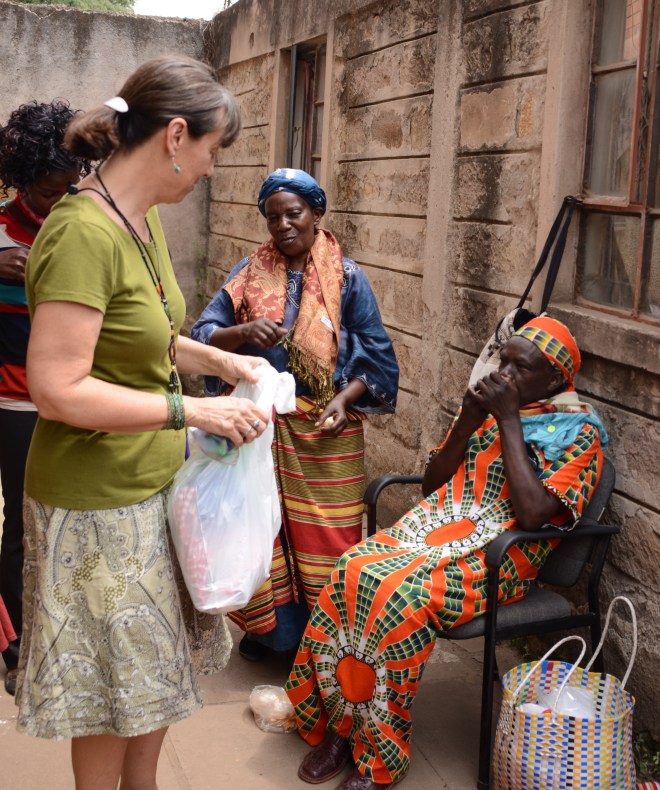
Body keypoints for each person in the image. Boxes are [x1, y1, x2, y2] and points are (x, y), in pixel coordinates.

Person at [17, 56, 271, 790]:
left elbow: (143, 333)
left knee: (152, 675)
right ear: (176, 136)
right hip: (93, 503)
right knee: (106, 694)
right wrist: (191, 407)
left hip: (151, 485)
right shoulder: (82, 234)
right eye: (212, 151)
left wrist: (215, 362)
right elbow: (58, 388)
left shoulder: (141, 221)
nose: (210, 170)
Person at [286, 316, 608, 790]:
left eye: (522, 369)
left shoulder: (580, 435)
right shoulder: (487, 408)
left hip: (503, 553)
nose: (505, 375)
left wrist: (509, 422)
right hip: (436, 526)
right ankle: (342, 725)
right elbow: (433, 486)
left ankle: (378, 755)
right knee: (351, 570)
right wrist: (470, 421)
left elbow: (535, 513)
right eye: (504, 361)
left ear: (555, 380)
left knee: (397, 597)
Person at [191, 168, 399, 661]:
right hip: (261, 427)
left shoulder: (348, 277)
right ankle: (275, 636)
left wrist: (343, 399)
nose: (283, 225)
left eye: (293, 213)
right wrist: (242, 334)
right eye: (272, 217)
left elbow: (376, 353)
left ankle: (327, 644)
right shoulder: (247, 273)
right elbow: (202, 335)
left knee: (328, 538)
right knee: (263, 530)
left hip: (327, 433)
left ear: (316, 214)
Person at [0, 99, 90, 696]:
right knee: (20, 529)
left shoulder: (83, 221)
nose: (53, 200)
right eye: (41, 188)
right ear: (19, 178)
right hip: (14, 403)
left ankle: (65, 634)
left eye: (65, 187)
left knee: (66, 524)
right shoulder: (2, 231)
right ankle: (19, 647)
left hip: (72, 399)